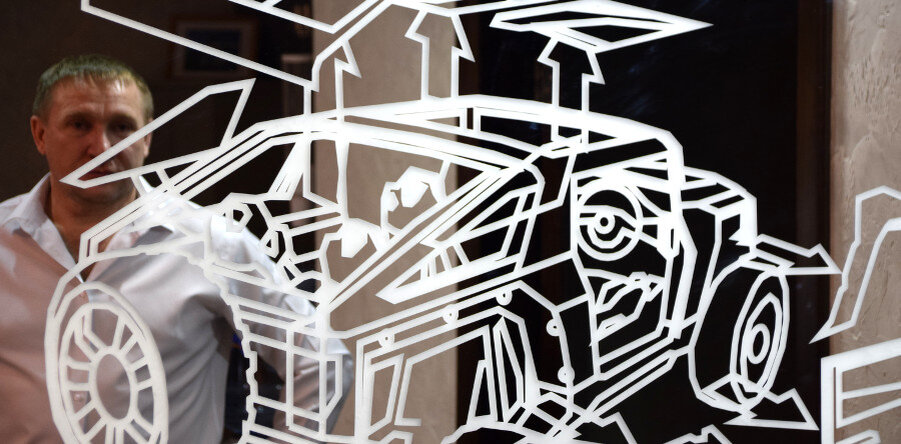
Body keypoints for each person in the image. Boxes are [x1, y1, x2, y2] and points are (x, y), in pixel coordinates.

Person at [0, 54, 351, 443]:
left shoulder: (212, 243)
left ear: (146, 139)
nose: (101, 146)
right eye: (79, 124)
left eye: (122, 127)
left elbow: (321, 360)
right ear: (40, 134)